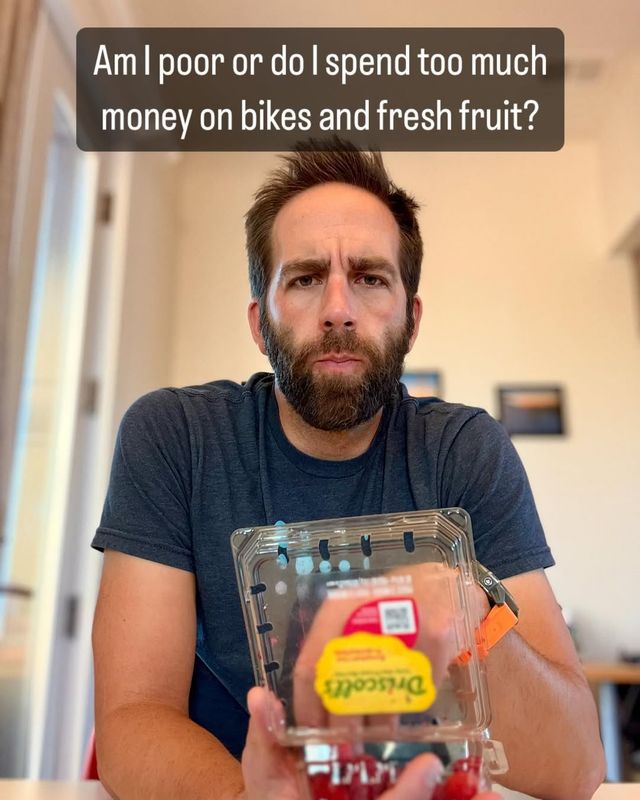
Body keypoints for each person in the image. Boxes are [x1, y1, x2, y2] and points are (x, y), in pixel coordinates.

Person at [91, 141, 604, 800]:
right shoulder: (175, 438)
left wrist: (468, 612)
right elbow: (132, 719)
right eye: (304, 278)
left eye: (369, 276)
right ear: (259, 321)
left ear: (411, 319)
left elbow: (576, 765)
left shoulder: (466, 450)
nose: (338, 308)